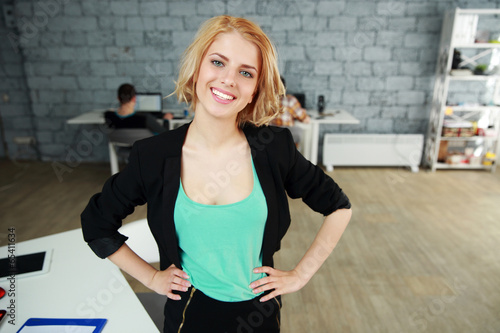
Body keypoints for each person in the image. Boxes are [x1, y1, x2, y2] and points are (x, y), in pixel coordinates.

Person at [81, 15, 351, 333]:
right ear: (197, 69)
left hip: (258, 315)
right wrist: (151, 277)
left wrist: (300, 274)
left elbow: (338, 207)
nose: (228, 80)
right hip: (188, 314)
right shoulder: (152, 156)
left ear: (254, 91)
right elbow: (97, 225)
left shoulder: (274, 148)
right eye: (218, 62)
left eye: (246, 72)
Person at [104, 83, 172, 134]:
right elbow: (165, 134)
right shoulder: (145, 118)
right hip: (144, 151)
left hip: (121, 151)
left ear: (118, 98)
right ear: (134, 99)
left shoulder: (109, 115)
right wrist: (166, 120)